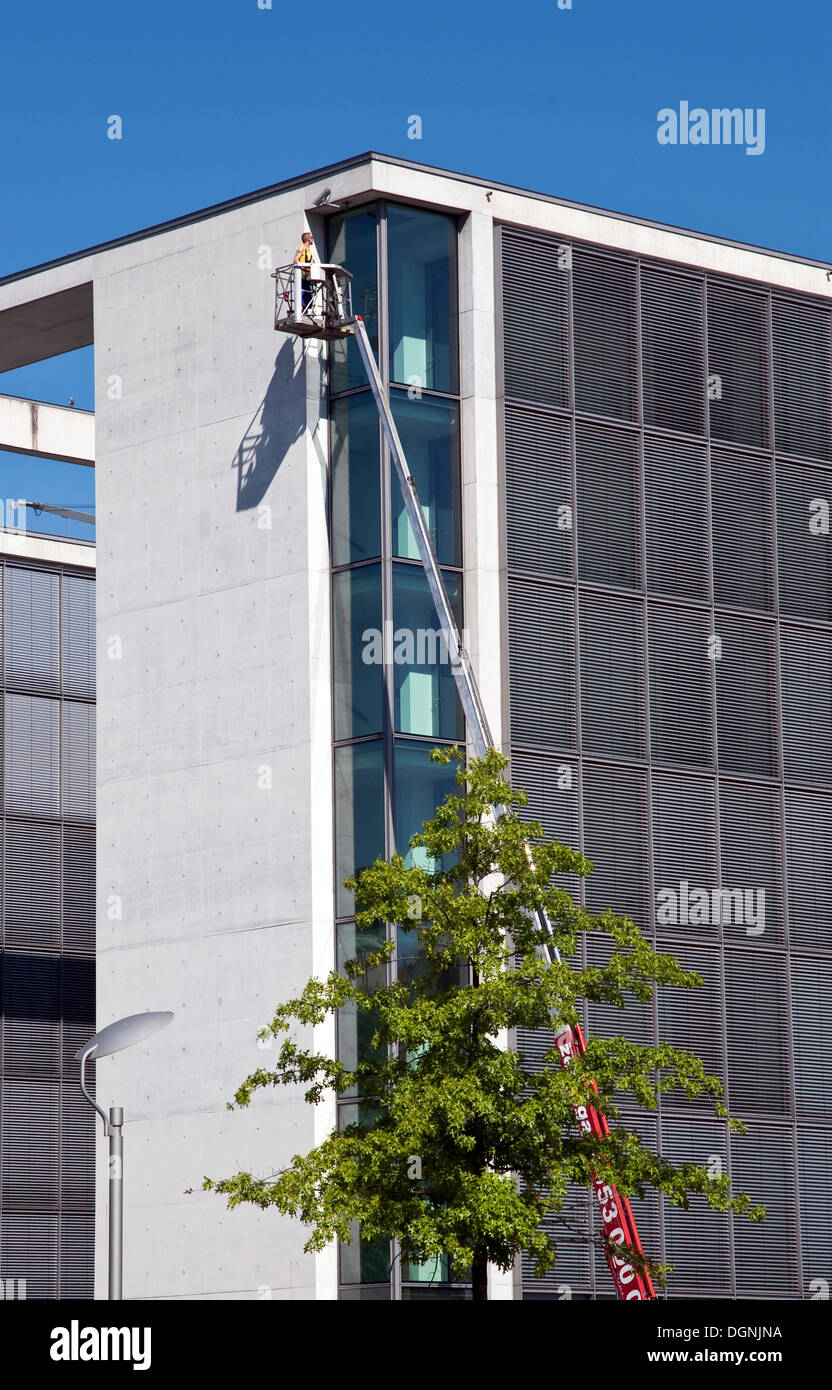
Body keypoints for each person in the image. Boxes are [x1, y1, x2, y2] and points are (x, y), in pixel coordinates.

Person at [293, 231, 322, 312]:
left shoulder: (309, 252)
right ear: (308, 239)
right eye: (312, 237)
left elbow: (312, 263)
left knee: (307, 299)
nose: (313, 239)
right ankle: (300, 313)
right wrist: (303, 268)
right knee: (302, 298)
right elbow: (296, 259)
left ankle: (305, 313)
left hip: (306, 277)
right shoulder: (301, 247)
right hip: (301, 276)